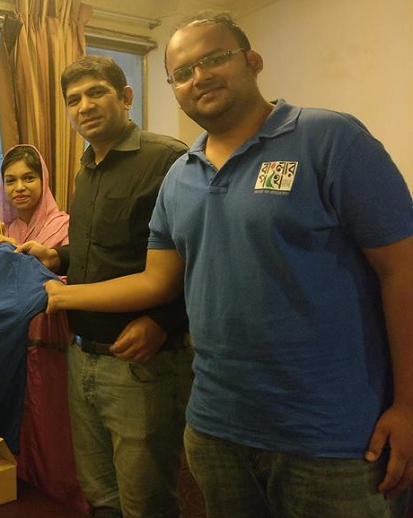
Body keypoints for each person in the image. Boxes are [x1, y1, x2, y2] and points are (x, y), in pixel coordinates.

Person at [44, 13, 413, 518]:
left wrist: (407, 404)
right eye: (182, 72)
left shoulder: (330, 139)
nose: (199, 77)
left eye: (214, 58)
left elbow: (401, 271)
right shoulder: (181, 176)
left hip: (333, 435)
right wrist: (51, 285)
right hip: (216, 428)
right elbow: (159, 280)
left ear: (252, 61)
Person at [17, 56, 193, 518]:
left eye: (96, 92)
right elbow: (102, 248)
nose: (85, 106)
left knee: (145, 501)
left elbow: (198, 256)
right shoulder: (86, 168)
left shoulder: (166, 159)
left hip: (142, 363)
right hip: (81, 355)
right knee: (100, 496)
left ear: (126, 97)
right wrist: (57, 256)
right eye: (73, 99)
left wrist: (163, 320)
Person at [0, 144, 85, 512]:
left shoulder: (64, 225)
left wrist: (21, 258)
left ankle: (62, 501)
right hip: (11, 344)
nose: (19, 187)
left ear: (44, 180)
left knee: (54, 422)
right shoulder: (3, 229)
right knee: (19, 420)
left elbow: (75, 280)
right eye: (10, 181)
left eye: (28, 178)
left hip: (52, 339)